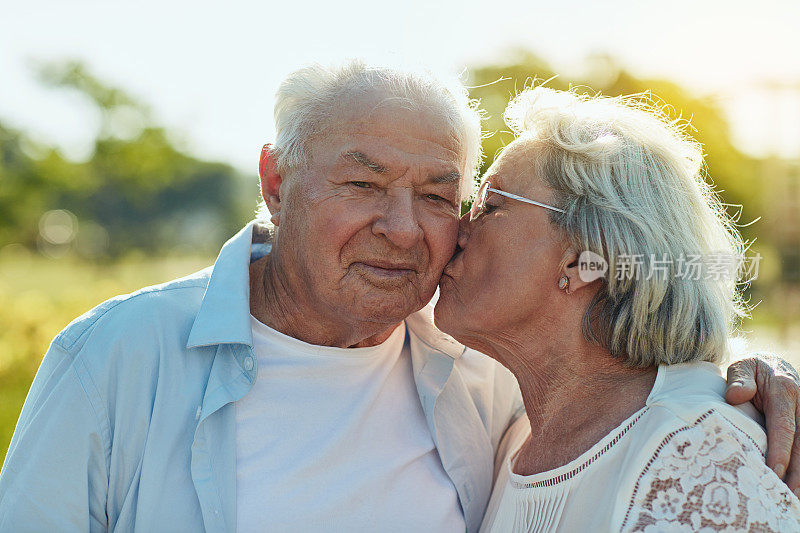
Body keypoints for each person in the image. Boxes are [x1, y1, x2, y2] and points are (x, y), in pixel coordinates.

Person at [0, 61, 797, 533]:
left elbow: (635, 404)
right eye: (363, 183)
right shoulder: (111, 360)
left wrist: (749, 380)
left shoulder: (485, 376)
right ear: (277, 184)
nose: (404, 228)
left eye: (446, 197)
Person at [433, 86, 800, 532]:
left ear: (582, 258)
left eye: (489, 205)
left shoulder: (700, 459)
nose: (456, 230)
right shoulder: (511, 436)